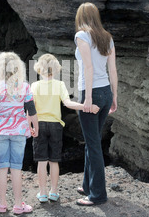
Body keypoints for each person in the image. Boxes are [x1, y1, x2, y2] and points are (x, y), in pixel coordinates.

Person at [31, 53, 100, 203]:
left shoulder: (34, 86)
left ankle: (42, 193)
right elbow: (68, 104)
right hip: (56, 126)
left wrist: (29, 125)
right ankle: (53, 192)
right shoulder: (60, 84)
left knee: (42, 161)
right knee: (54, 161)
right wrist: (86, 106)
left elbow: (31, 108)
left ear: (38, 69)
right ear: (55, 70)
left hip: (40, 125)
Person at [0, 52, 38, 215]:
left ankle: (3, 203)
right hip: (19, 131)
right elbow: (31, 109)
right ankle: (19, 205)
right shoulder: (24, 86)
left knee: (1, 167)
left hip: (0, 130)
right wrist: (36, 125)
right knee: (16, 168)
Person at [74, 2, 118, 206]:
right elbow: (113, 70)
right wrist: (114, 96)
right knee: (92, 140)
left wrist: (88, 98)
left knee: (92, 144)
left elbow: (88, 68)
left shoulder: (81, 36)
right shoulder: (107, 38)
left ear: (81, 17)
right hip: (106, 92)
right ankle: (88, 185)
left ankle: (98, 195)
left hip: (90, 93)